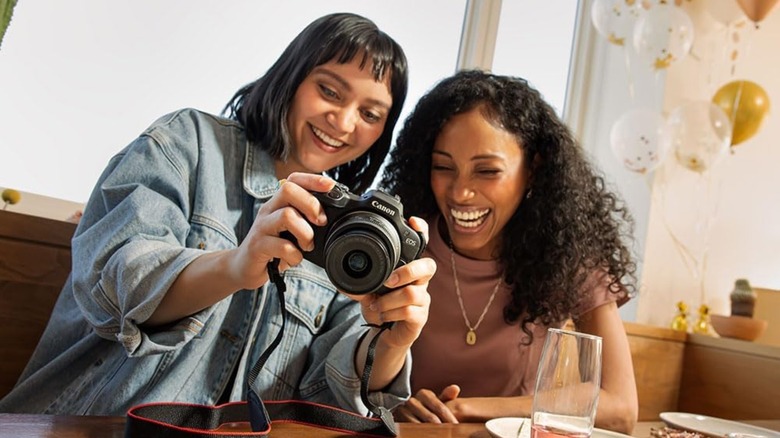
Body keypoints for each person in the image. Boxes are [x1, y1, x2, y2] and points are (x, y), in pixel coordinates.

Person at [0, 12, 435, 417]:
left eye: (370, 114)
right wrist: (233, 266)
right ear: (291, 77)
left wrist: (393, 341)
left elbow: (329, 387)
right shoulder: (187, 144)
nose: (342, 122)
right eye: (329, 90)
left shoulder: (354, 232)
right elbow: (115, 283)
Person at [381, 70, 639, 433]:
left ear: (532, 171)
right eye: (443, 167)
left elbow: (621, 407)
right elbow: (355, 374)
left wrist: (469, 408)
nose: (460, 193)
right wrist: (397, 406)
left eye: (486, 171)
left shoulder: (565, 255)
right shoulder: (401, 241)